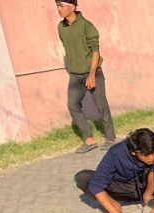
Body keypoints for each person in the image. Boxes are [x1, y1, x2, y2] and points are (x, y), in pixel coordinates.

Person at [74, 128, 154, 213]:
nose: (151, 157)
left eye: (153, 152)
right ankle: (115, 205)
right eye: (146, 155)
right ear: (133, 152)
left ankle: (147, 196)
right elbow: (96, 184)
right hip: (123, 188)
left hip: (145, 185)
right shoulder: (116, 153)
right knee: (83, 178)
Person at [56, 0, 116, 153]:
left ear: (73, 7)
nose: (59, 9)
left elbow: (95, 51)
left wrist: (91, 74)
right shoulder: (61, 27)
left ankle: (110, 138)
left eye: (61, 6)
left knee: (101, 105)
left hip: (93, 72)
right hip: (76, 76)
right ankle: (89, 140)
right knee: (73, 105)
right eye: (57, 6)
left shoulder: (87, 26)